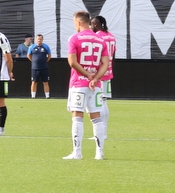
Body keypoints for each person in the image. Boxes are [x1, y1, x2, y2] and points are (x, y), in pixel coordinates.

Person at [63, 11, 109, 160]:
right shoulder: (100, 40)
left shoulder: (74, 39)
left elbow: (72, 62)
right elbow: (106, 63)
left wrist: (87, 75)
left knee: (77, 116)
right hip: (95, 85)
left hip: (79, 83)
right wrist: (95, 78)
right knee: (96, 118)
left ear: (78, 22)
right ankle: (99, 153)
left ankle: (77, 152)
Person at [91, 15, 116, 133]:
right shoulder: (111, 36)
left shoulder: (97, 37)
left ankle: (100, 132)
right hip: (108, 71)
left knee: (98, 103)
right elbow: (113, 55)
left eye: (92, 24)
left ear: (95, 24)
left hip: (99, 72)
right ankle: (104, 131)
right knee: (104, 101)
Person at [28, 34, 52, 98]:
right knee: (34, 82)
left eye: (40, 39)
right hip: (35, 68)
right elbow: (28, 55)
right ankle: (33, 96)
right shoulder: (32, 47)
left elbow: (49, 56)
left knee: (45, 82)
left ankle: (47, 96)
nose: (39, 40)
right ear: (36, 40)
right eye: (38, 39)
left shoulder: (46, 47)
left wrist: (45, 61)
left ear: (42, 39)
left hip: (44, 67)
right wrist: (33, 61)